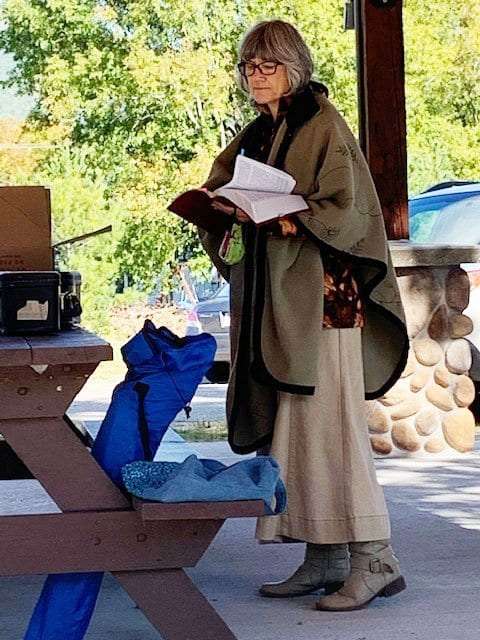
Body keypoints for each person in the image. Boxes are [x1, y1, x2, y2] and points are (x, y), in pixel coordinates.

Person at [196, 19, 409, 611]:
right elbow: (228, 188)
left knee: (334, 430)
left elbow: (349, 210)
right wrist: (222, 209)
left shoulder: (324, 125)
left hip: (326, 305)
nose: (255, 75)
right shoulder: (259, 133)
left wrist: (288, 217)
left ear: (295, 66)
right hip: (282, 304)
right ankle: (324, 556)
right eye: (248, 66)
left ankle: (375, 557)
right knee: (298, 434)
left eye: (267, 65)